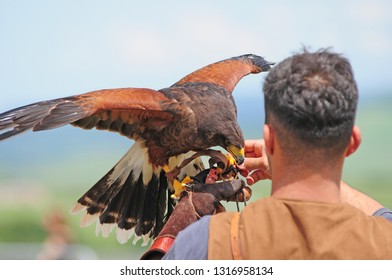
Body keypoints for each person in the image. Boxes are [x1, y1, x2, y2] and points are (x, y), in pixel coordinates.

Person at [161, 49, 392, 260]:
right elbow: (384, 216)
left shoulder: (206, 242)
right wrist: (313, 174)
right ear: (352, 143)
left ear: (269, 140)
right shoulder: (384, 242)